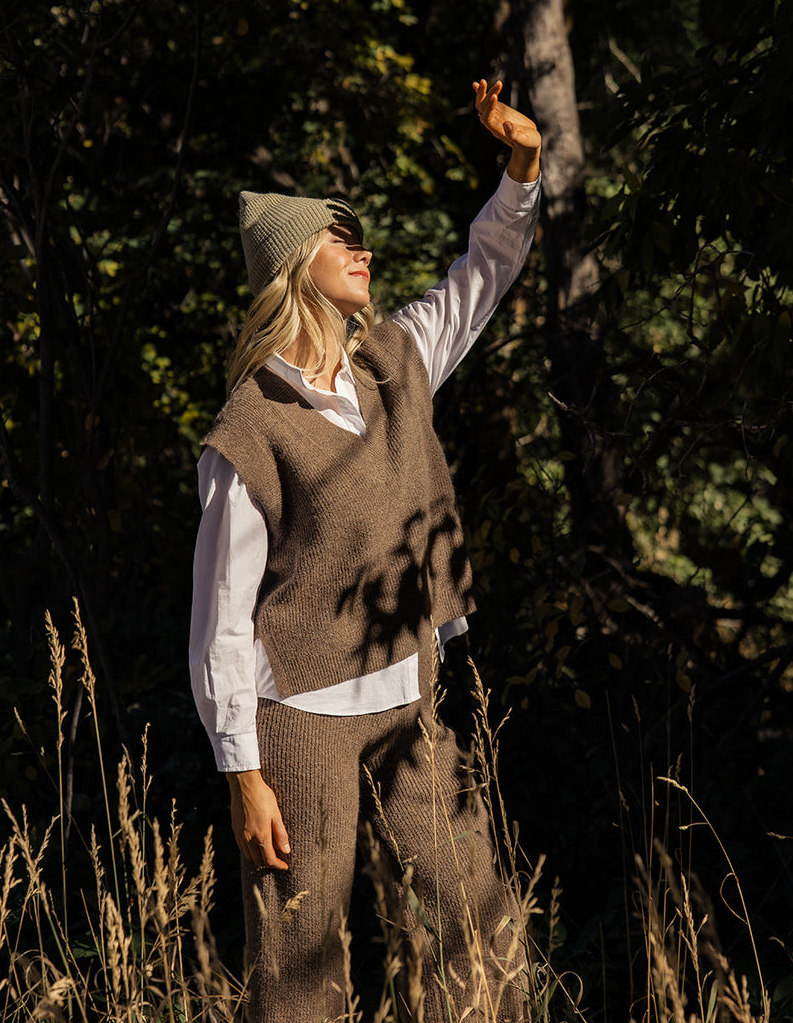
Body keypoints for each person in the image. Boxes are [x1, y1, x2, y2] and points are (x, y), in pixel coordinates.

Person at [190, 79, 541, 1022]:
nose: (365, 251)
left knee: (485, 933)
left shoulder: (395, 362)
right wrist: (243, 775)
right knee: (303, 972)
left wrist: (522, 167)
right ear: (295, 266)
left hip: (410, 706)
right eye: (341, 240)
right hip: (297, 722)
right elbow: (222, 621)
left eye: (362, 238)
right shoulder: (249, 431)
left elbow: (483, 274)